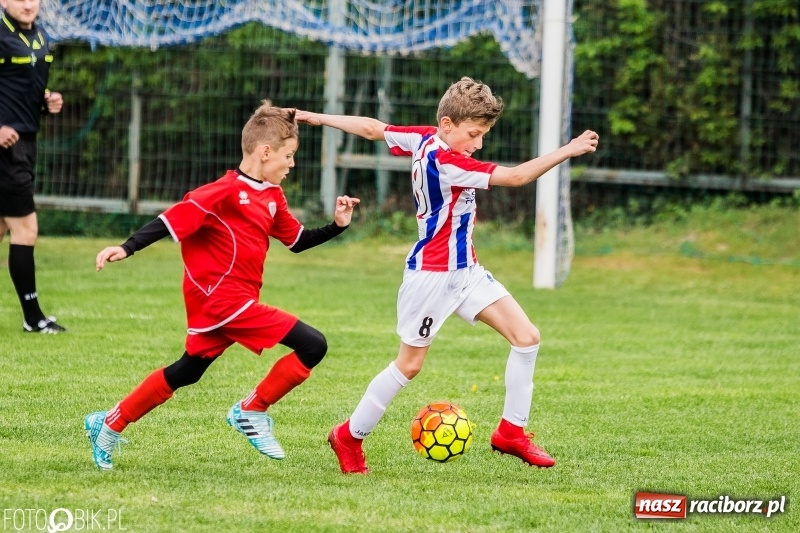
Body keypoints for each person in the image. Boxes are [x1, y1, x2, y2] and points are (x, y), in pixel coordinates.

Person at [296, 77, 599, 474]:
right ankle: (348, 436)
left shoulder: (424, 139)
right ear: (447, 124)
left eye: (483, 136)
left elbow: (373, 128)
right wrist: (569, 149)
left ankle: (511, 432)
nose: (478, 144)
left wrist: (315, 117)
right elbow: (517, 177)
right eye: (473, 135)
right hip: (431, 277)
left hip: (467, 271)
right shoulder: (448, 162)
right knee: (409, 366)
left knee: (526, 338)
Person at [84, 101, 360, 470]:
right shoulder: (223, 192)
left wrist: (337, 226)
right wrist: (127, 247)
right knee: (313, 344)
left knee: (187, 370)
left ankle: (109, 422)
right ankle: (252, 410)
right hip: (220, 300)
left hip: (236, 301)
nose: (291, 165)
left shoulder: (273, 197)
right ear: (265, 152)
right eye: (288, 156)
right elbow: (170, 221)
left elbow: (297, 241)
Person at [0, 0, 65, 333]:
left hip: (26, 143)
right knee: (25, 229)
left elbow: (18, 86)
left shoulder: (40, 35)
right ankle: (33, 317)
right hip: (6, 150)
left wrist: (46, 99)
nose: (27, 4)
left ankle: (32, 317)